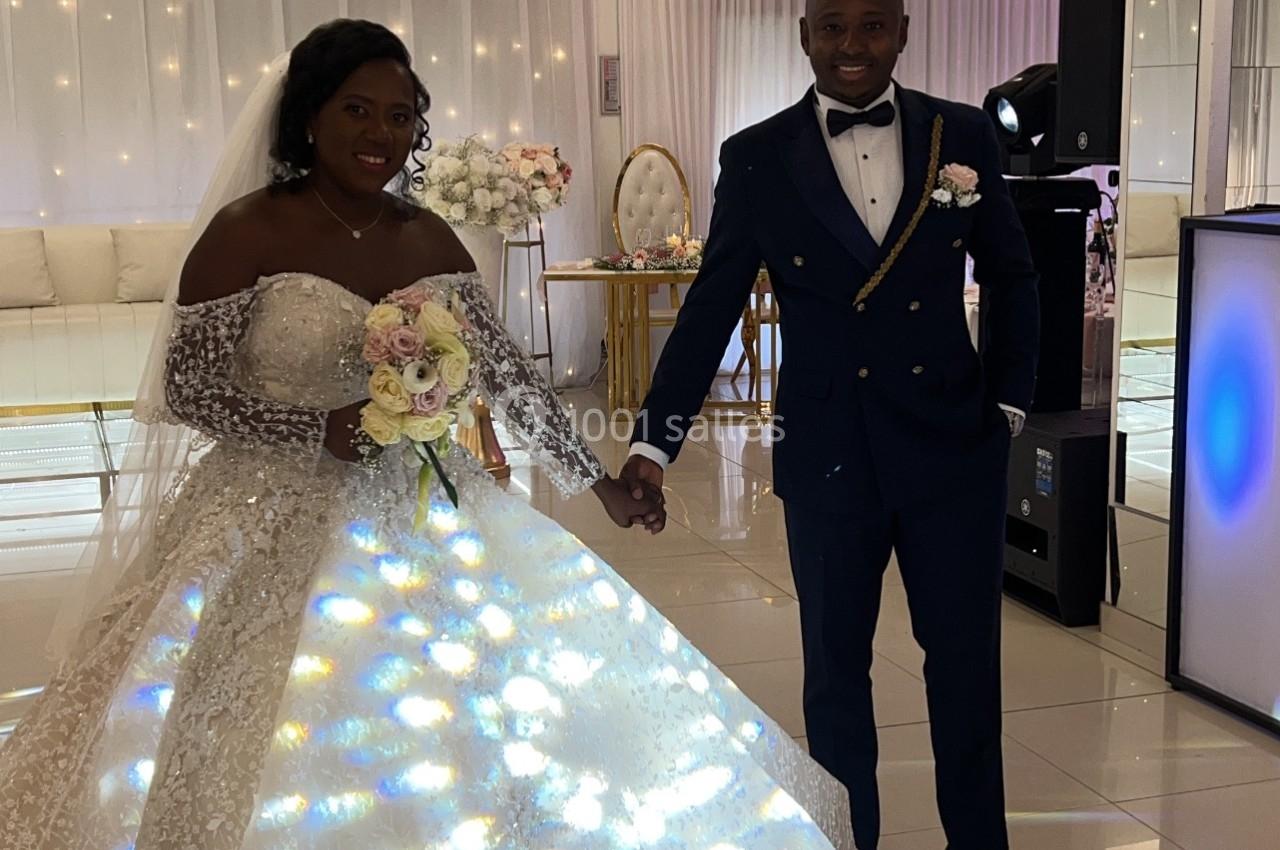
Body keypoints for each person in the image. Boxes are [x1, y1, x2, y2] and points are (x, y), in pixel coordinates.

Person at [0, 19, 855, 850]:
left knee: (477, 707)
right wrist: (313, 429)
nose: (380, 133)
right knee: (243, 712)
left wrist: (600, 485)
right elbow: (187, 389)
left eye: (399, 115)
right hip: (260, 512)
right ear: (309, 116)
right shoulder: (247, 230)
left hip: (417, 501)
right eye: (356, 110)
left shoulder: (427, 235)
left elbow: (510, 377)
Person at [621, 1, 1040, 848]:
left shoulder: (961, 134)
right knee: (835, 680)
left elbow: (1013, 274)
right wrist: (651, 444)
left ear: (904, 31)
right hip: (828, 453)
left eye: (873, 26)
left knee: (966, 676)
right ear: (804, 34)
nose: (853, 46)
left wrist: (1006, 405)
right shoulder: (757, 155)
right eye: (833, 26)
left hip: (953, 449)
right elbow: (712, 307)